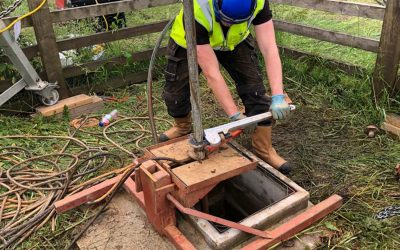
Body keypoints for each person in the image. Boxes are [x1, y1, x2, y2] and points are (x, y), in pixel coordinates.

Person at [159, 0, 291, 174]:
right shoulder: (198, 10)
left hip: (235, 42)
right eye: (226, 19)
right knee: (175, 95)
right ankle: (182, 127)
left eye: (235, 21)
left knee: (255, 91)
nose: (228, 24)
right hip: (188, 42)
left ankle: (263, 148)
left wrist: (278, 95)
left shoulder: (259, 3)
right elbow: (212, 73)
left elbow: (269, 48)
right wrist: (234, 115)